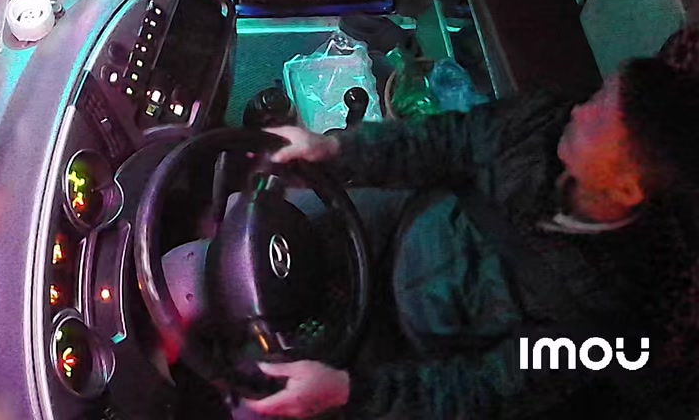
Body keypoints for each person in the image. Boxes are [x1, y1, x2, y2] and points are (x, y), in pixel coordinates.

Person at [244, 28, 699, 419]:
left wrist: (349, 391)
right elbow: (447, 141)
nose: (581, 110)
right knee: (258, 221)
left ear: (627, 190)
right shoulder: (547, 119)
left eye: (599, 121)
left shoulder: (610, 321)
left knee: (263, 397)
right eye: (598, 97)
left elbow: (482, 390)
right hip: (404, 221)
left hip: (411, 347)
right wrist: (337, 151)